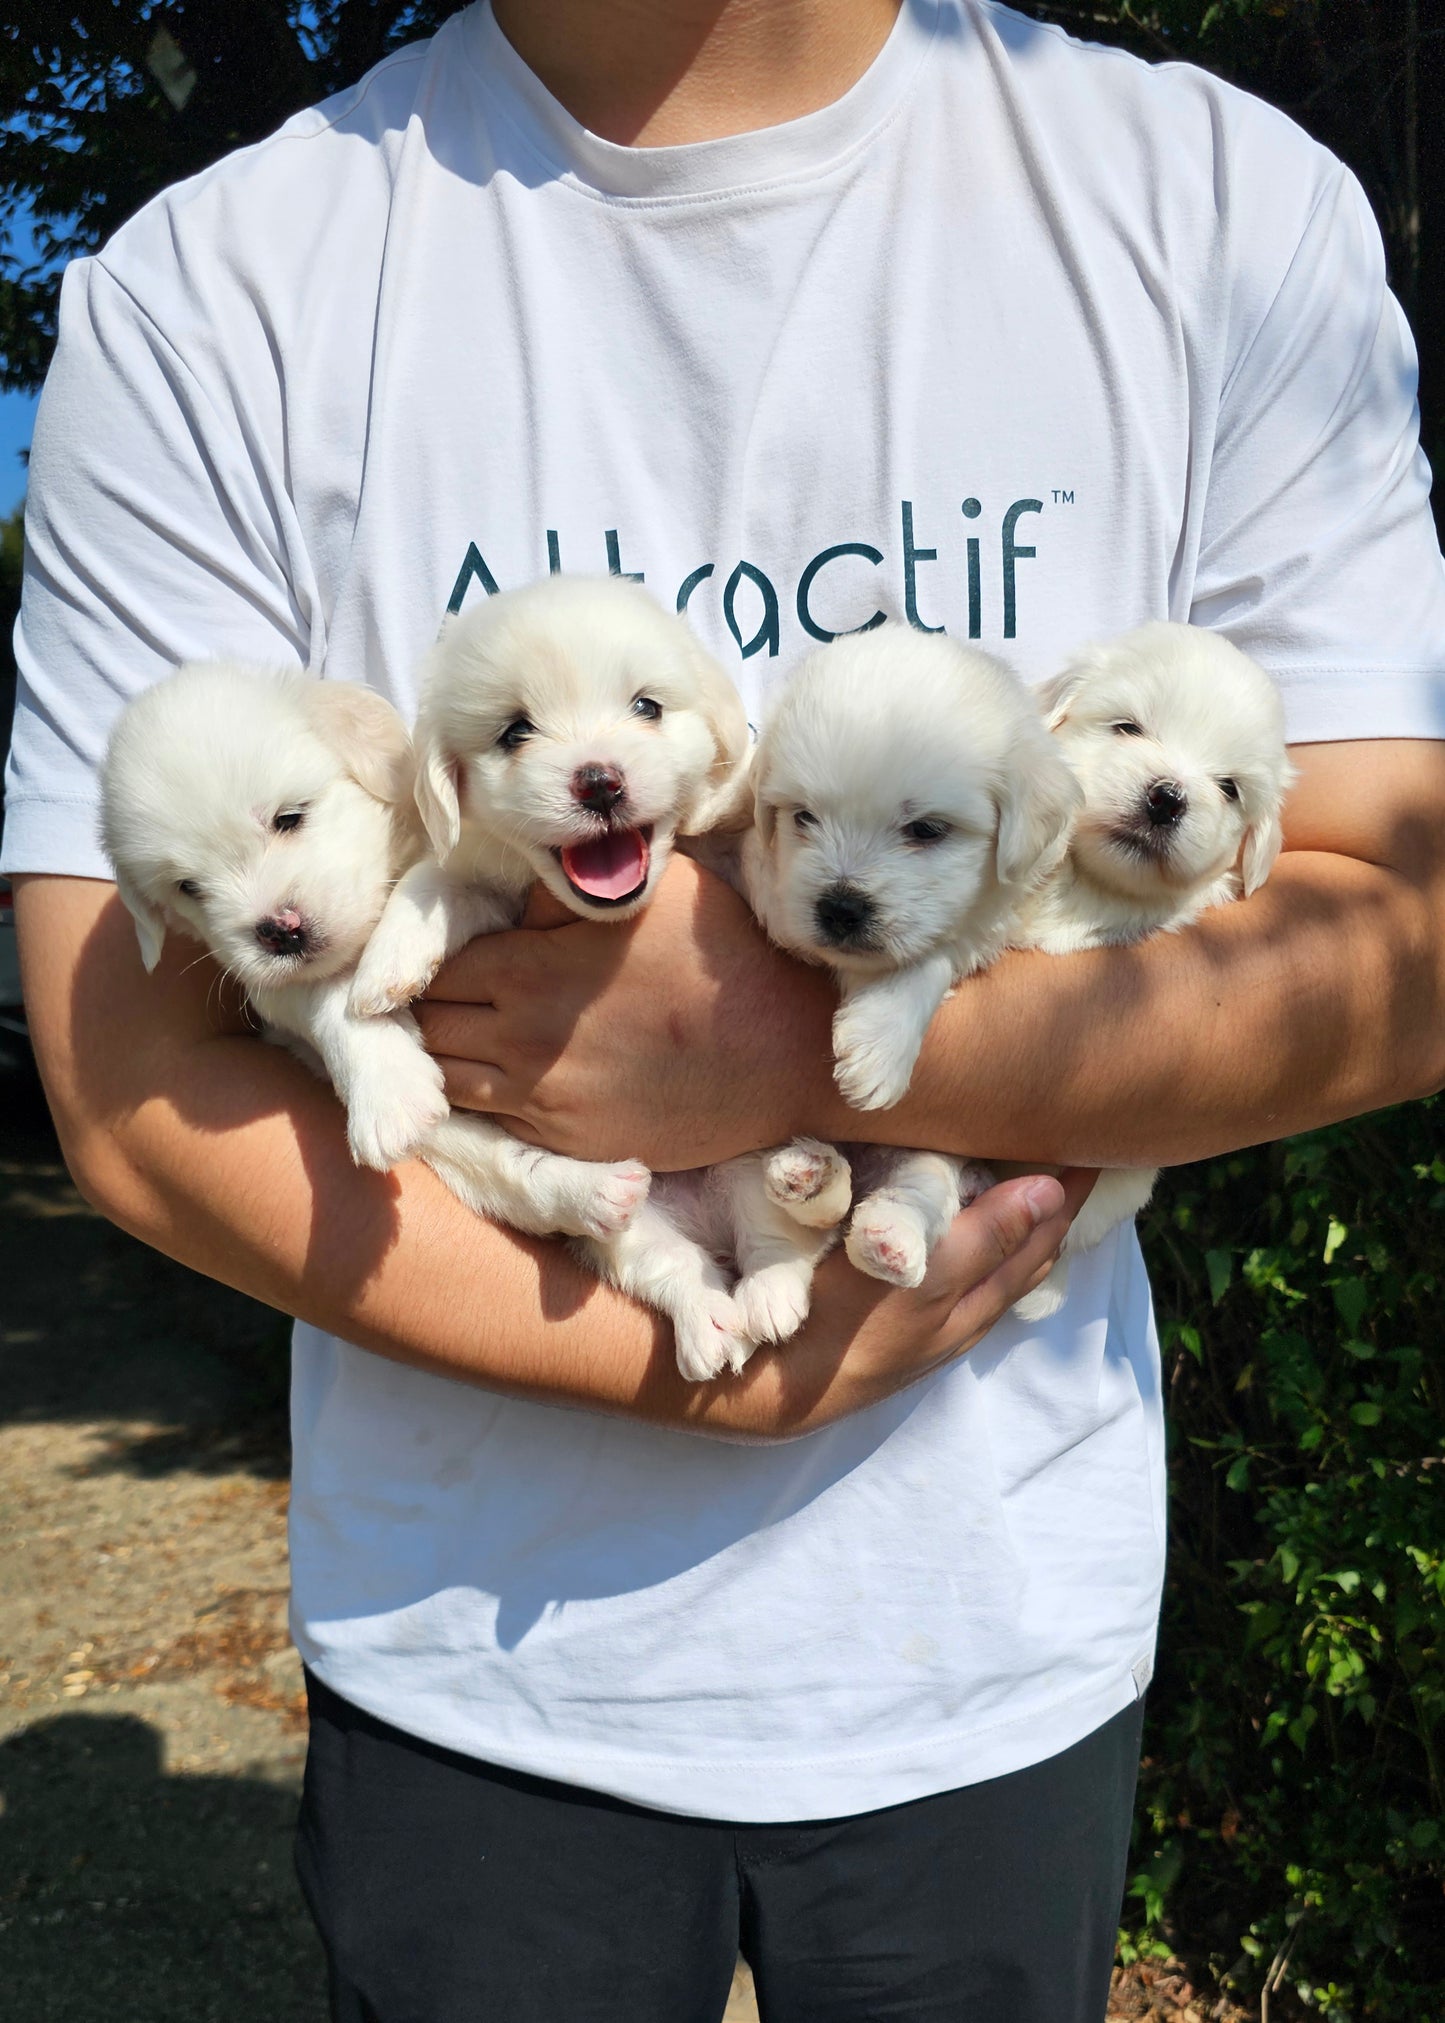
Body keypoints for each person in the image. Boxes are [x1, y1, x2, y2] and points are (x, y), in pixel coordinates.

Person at [6, 2, 1445, 2017]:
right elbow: (133, 1075)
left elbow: (1402, 931)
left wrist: (798, 1041)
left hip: (994, 1628)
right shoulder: (211, 291)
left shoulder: (1208, 204)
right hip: (472, 1652)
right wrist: (709, 1351)